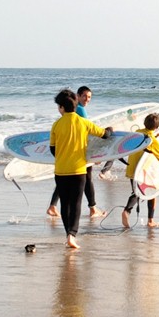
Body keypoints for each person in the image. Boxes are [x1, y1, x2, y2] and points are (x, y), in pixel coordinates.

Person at [50, 89, 112, 249]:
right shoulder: (84, 123)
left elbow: (53, 150)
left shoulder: (56, 125)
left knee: (65, 204)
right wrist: (111, 130)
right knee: (76, 203)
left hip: (61, 171)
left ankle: (67, 234)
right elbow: (104, 134)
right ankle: (72, 235)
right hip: (78, 170)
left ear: (62, 108)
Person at [46, 86, 105, 218]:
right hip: (79, 154)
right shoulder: (80, 111)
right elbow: (88, 134)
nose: (87, 99)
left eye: (89, 97)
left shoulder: (69, 112)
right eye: (84, 96)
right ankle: (93, 209)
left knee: (66, 179)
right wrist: (94, 155)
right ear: (77, 96)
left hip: (68, 157)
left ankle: (53, 205)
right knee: (86, 179)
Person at [121, 113, 159, 228]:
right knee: (151, 192)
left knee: (136, 192)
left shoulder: (138, 133)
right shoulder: (152, 141)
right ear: (157, 126)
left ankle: (127, 211)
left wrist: (155, 135)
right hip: (143, 171)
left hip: (131, 168)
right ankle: (150, 220)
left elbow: (144, 140)